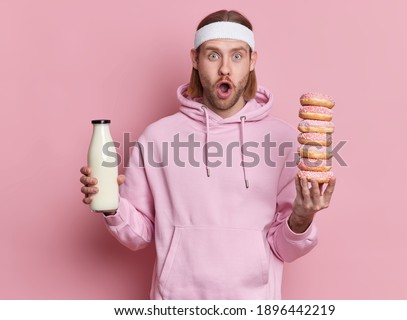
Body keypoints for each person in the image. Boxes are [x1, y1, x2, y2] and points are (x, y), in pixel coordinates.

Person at [80, 9, 336, 300]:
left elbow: (285, 248)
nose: (225, 68)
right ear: (195, 60)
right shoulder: (157, 138)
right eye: (213, 55)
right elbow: (139, 236)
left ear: (252, 61)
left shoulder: (285, 140)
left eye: (237, 56)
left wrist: (301, 218)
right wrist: (112, 206)